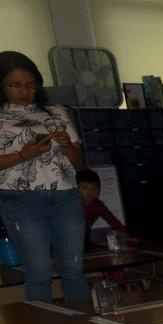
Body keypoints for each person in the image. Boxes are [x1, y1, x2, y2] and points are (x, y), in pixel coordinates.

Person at [0, 51, 88, 302]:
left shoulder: (56, 112)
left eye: (30, 85)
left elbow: (80, 163)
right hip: (21, 201)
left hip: (66, 197)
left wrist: (68, 145)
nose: (23, 92)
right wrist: (23, 154)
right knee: (39, 272)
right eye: (14, 85)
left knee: (73, 269)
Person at [77, 168, 132, 249]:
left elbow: (113, 221)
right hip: (67, 233)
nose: (89, 192)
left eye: (93, 189)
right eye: (85, 188)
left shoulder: (98, 205)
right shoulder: (72, 203)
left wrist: (126, 235)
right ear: (76, 189)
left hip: (84, 234)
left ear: (99, 191)